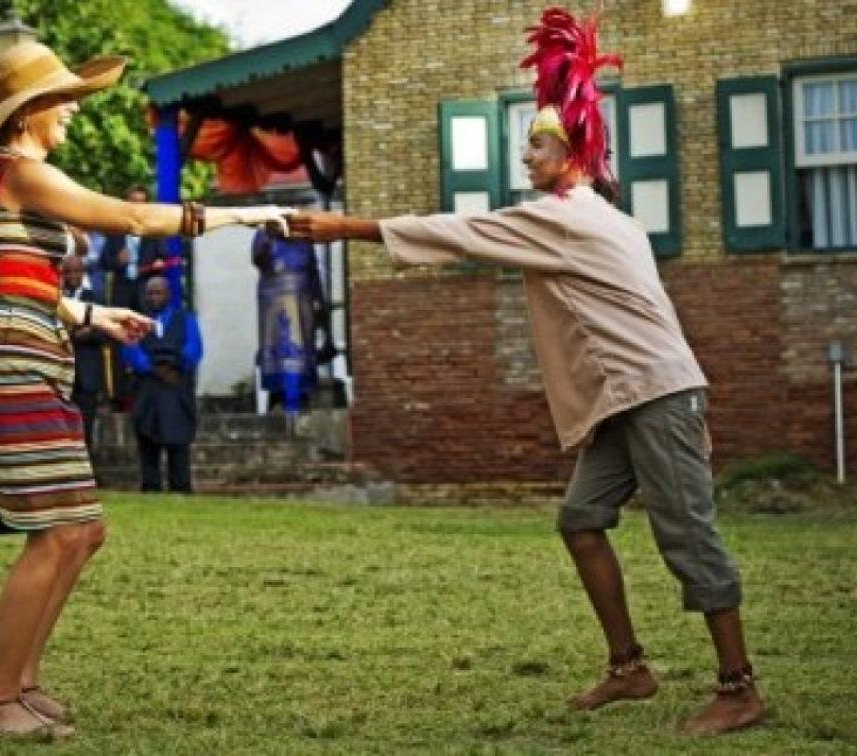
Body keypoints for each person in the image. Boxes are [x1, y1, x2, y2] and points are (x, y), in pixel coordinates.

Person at [286, 7, 764, 737]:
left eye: (537, 145)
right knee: (581, 520)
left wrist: (346, 228)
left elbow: (463, 233)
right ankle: (629, 667)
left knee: (688, 538)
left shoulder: (567, 217)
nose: (526, 156)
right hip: (631, 397)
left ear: (572, 152)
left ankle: (739, 689)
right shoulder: (612, 219)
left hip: (656, 394)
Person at [0, 39, 290, 738]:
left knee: (83, 532)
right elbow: (132, 218)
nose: (74, 109)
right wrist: (240, 215)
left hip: (30, 354)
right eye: (64, 99)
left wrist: (89, 314)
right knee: (59, 533)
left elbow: (14, 276)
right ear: (29, 109)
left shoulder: (10, 173)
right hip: (9, 364)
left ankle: (23, 683)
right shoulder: (18, 169)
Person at [123, 275, 202, 493]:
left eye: (158, 292)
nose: (154, 297)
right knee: (147, 442)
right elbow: (131, 350)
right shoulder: (138, 322)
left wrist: (175, 366)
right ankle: (151, 487)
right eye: (150, 293)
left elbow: (194, 348)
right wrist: (152, 368)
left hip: (177, 388)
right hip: (147, 390)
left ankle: (181, 488)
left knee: (178, 442)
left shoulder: (185, 319)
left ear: (168, 294)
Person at [251, 229, 334, 418]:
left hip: (302, 304)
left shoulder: (303, 239)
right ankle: (280, 400)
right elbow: (258, 258)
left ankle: (300, 400)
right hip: (274, 306)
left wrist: (319, 302)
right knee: (279, 355)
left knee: (300, 353)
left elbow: (313, 272)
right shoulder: (265, 235)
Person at [60, 254, 103, 461]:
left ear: (83, 273)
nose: (72, 276)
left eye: (76, 271)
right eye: (68, 271)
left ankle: (86, 470)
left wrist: (89, 333)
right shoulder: (55, 299)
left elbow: (104, 333)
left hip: (87, 374)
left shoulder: (94, 298)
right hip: (60, 374)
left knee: (86, 426)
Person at [100, 185, 166, 311]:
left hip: (146, 290)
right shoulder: (116, 230)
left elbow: (163, 257)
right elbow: (104, 262)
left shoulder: (153, 232)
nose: (137, 207)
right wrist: (118, 260)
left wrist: (157, 263)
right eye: (134, 202)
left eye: (141, 203)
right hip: (121, 291)